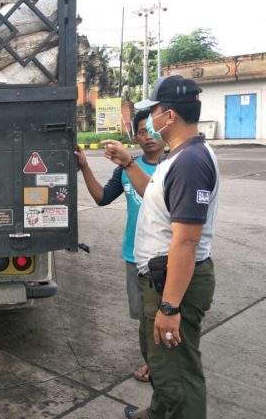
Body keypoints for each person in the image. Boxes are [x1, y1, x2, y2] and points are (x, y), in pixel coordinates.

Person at [101, 75, 219, 419]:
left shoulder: (190, 163)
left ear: (169, 117)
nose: (149, 120)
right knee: (161, 362)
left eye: (153, 111)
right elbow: (154, 192)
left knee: (178, 374)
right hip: (159, 277)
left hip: (174, 281)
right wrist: (127, 162)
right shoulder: (178, 157)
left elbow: (186, 239)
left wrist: (170, 307)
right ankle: (157, 412)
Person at [75, 109, 164, 383]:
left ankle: (162, 368)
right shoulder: (126, 169)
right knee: (143, 318)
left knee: (162, 315)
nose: (147, 137)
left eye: (151, 130)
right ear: (134, 136)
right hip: (133, 255)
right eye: (141, 132)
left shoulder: (172, 166)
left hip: (164, 258)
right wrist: (85, 167)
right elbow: (102, 198)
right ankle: (152, 362)